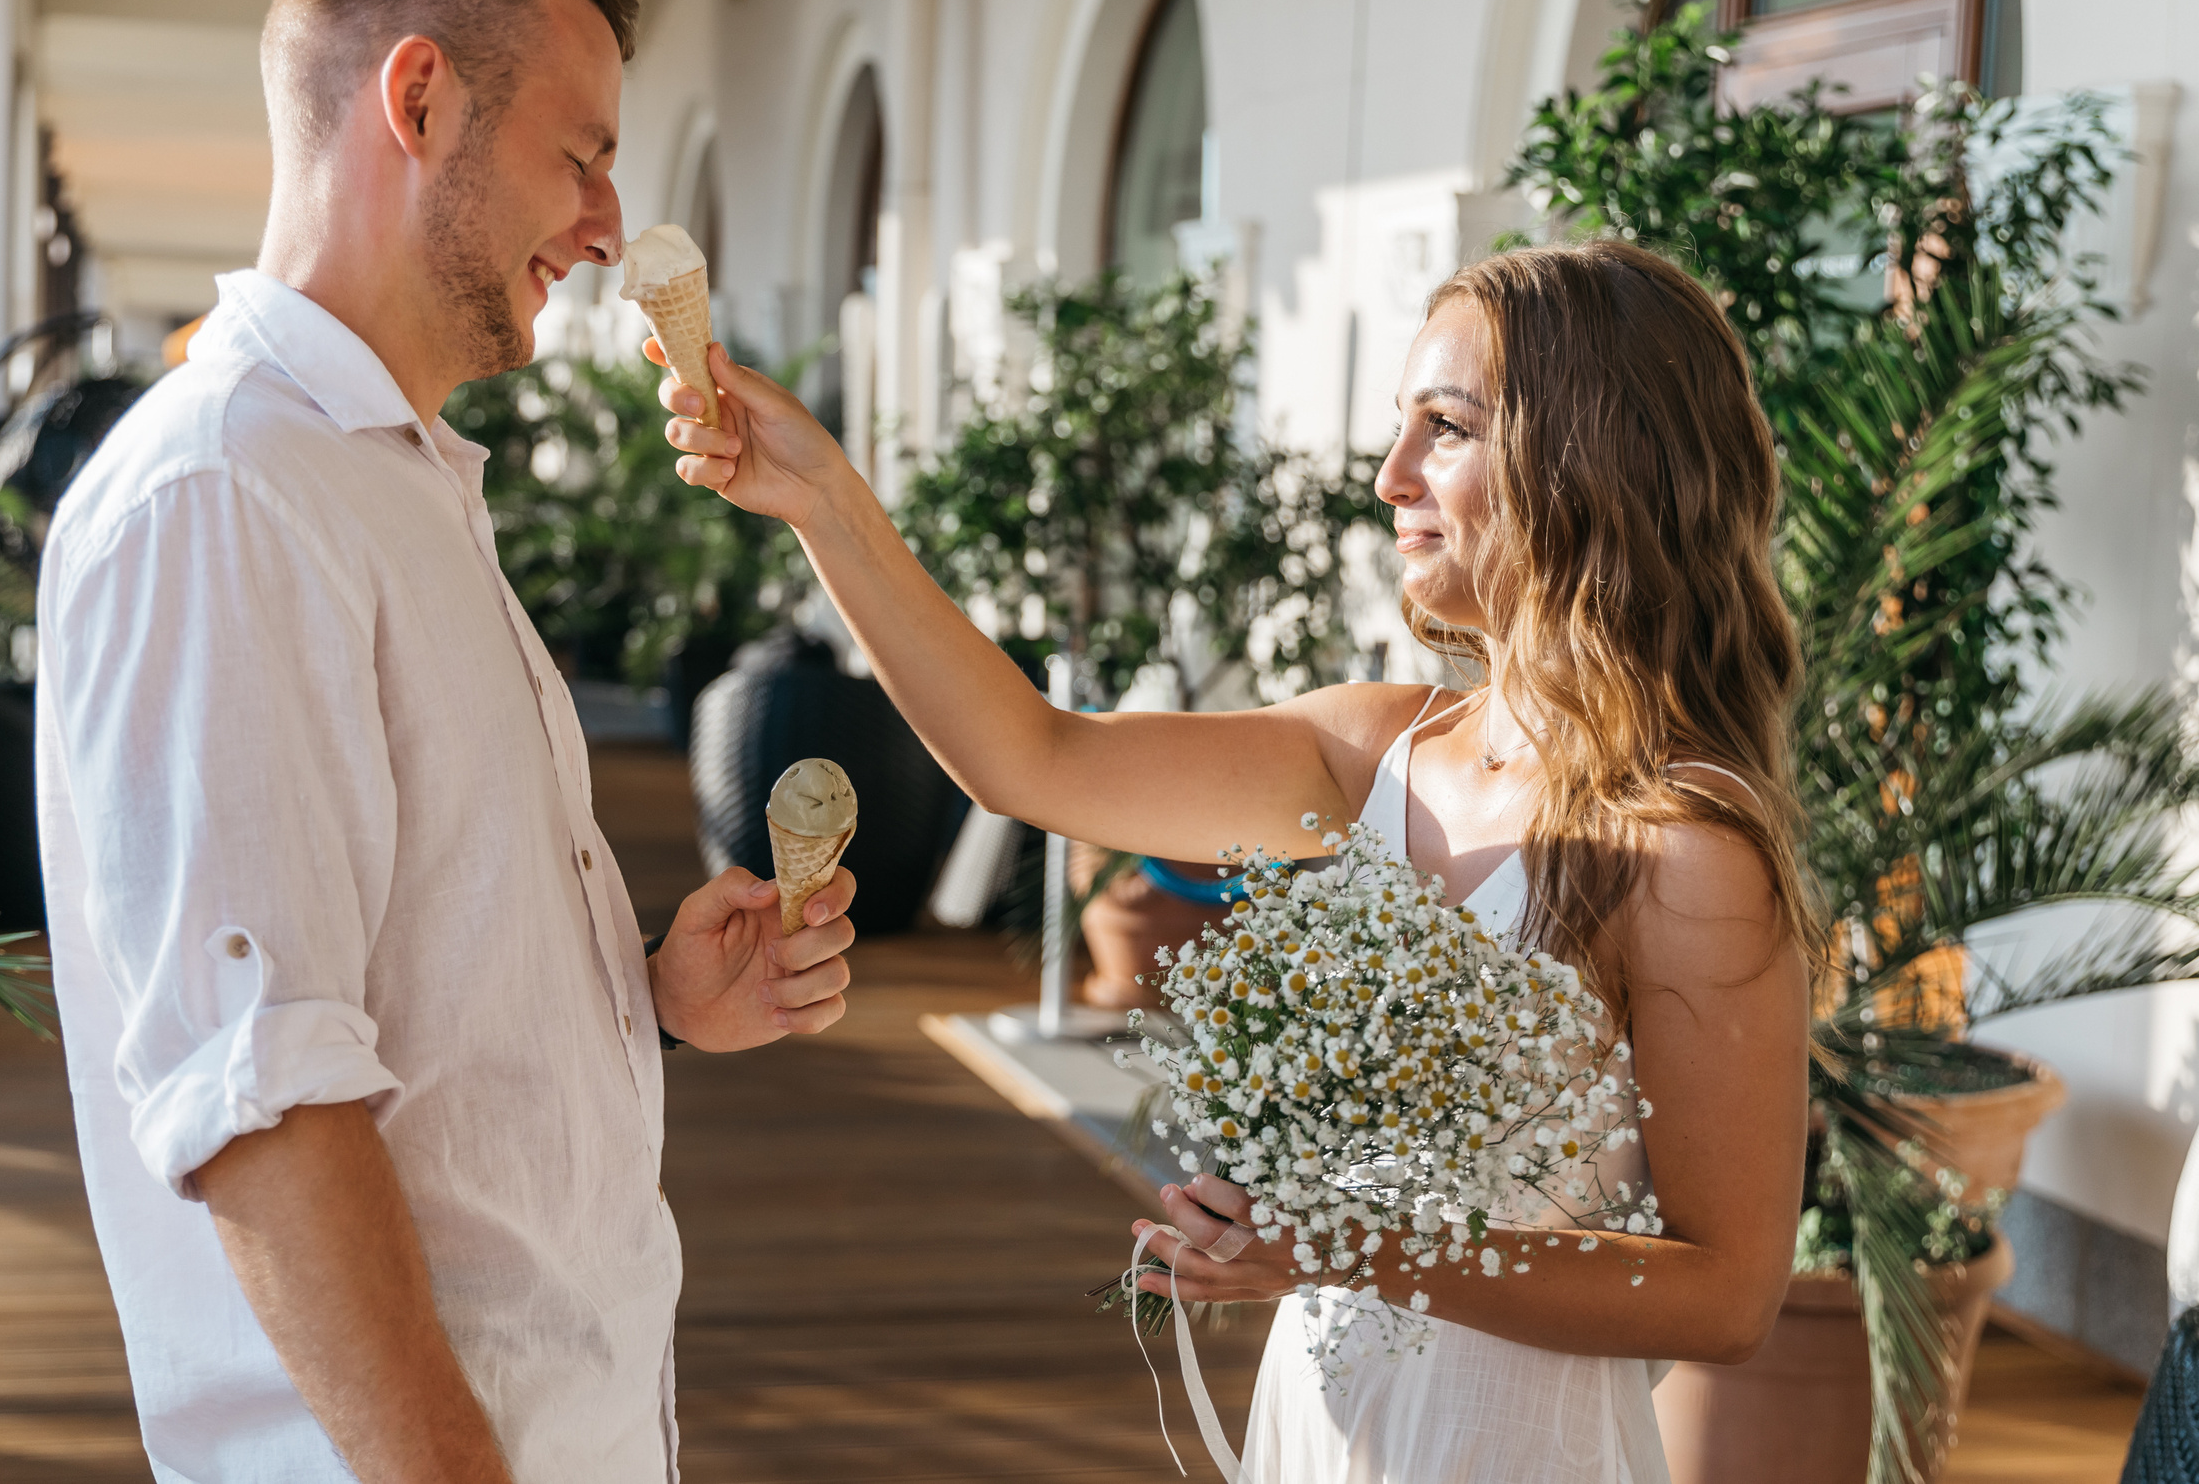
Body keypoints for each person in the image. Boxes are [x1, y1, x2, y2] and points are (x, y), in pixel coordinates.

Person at [653, 240, 1810, 1481]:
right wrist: (824, 501)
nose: (1390, 475)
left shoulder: (1683, 849)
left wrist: (1344, 1245)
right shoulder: (1373, 753)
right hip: (1318, 1429)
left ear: (1586, 461)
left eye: (1446, 429)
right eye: (1401, 425)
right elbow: (1030, 758)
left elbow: (1727, 1295)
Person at [36, 0, 856, 1484]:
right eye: (583, 156)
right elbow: (262, 1094)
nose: (610, 228)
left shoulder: (385, 477)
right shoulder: (228, 493)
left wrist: (641, 995)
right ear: (417, 100)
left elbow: (387, 957)